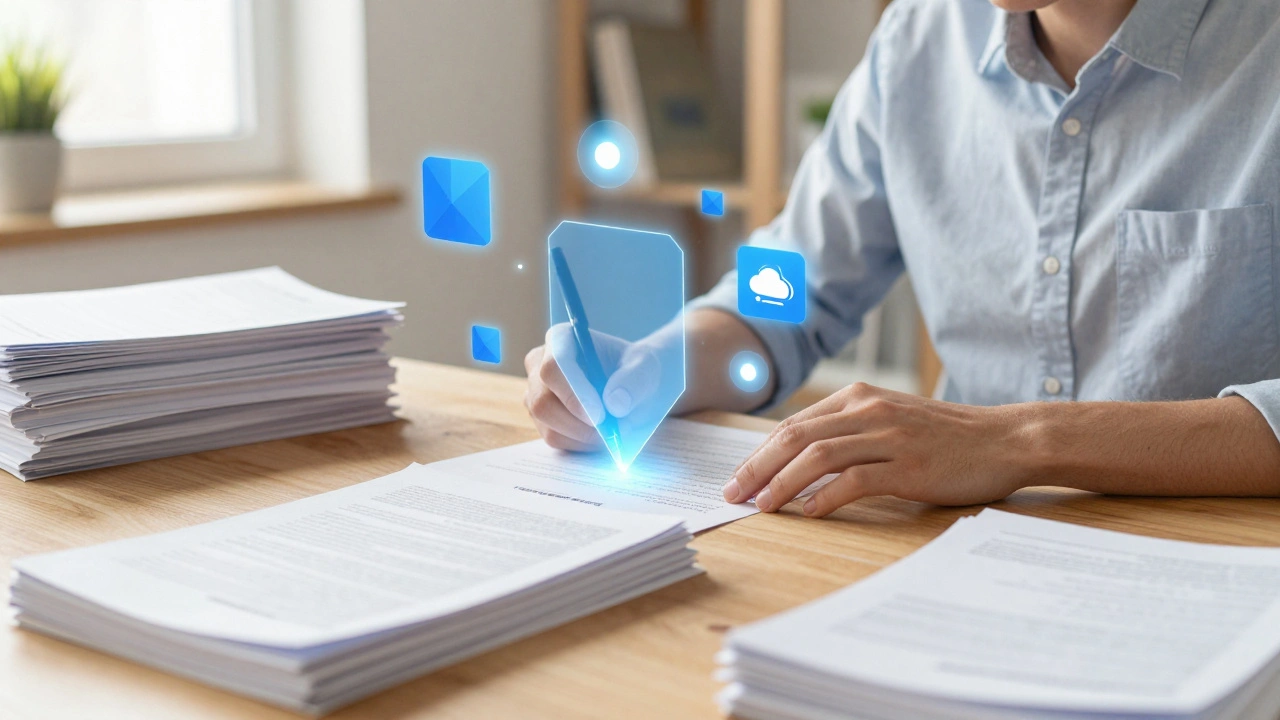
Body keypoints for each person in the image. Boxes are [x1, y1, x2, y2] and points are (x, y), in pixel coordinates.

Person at [525, 0, 1280, 518]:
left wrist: (1017, 442)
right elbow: (786, 287)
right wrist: (656, 366)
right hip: (964, 556)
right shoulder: (919, 41)